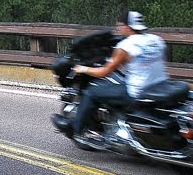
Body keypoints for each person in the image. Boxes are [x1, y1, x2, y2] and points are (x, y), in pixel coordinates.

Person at [71, 10, 169, 147]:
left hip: (137, 91)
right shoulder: (157, 40)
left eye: (120, 25)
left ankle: (78, 131)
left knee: (92, 92)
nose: (118, 28)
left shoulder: (125, 46)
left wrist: (84, 69)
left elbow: (104, 72)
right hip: (159, 86)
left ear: (127, 26)